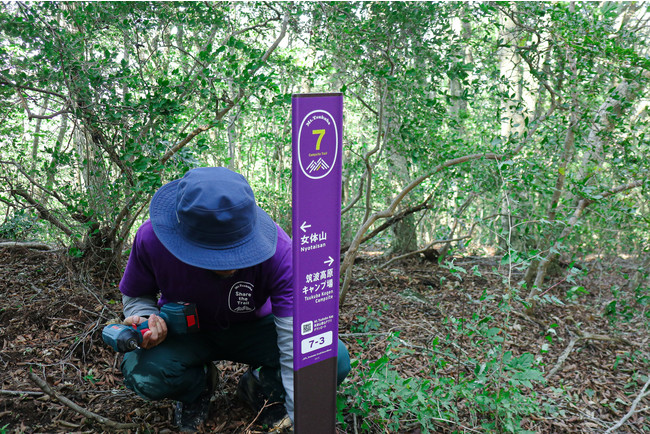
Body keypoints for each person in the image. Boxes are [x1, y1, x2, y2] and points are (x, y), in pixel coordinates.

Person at [117, 167, 351, 432]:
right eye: (214, 255)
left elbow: (293, 338)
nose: (229, 266)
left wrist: (303, 420)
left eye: (238, 250)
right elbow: (137, 294)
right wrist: (148, 321)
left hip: (257, 330)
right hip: (186, 331)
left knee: (329, 360)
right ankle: (199, 386)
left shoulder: (280, 251)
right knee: (142, 373)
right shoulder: (152, 238)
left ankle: (260, 386)